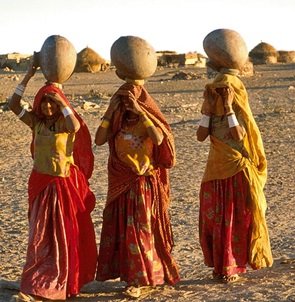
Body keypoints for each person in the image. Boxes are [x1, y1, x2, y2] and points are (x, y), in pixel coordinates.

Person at [9, 56, 97, 301]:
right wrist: (28, 75)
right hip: (41, 185)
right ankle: (38, 283)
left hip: (62, 187)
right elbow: (13, 103)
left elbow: (76, 125)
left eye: (52, 103)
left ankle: (59, 283)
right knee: (40, 236)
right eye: (44, 102)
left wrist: (59, 97)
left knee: (62, 236)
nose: (48, 107)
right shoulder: (36, 123)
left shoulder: (65, 124)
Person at [94, 80, 180, 298]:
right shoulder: (116, 121)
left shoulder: (146, 120)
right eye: (122, 99)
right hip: (121, 184)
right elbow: (99, 139)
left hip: (143, 185)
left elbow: (159, 139)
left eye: (129, 99)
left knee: (140, 231)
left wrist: (141, 112)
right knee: (125, 231)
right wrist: (110, 109)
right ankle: (132, 276)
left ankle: (140, 279)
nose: (126, 104)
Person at [196, 63, 273, 283]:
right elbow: (200, 136)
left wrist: (229, 107)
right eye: (216, 89)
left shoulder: (238, 112)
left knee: (235, 221)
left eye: (224, 90)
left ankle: (232, 267)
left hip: (237, 172)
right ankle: (219, 266)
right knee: (216, 221)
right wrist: (208, 111)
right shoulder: (211, 112)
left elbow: (238, 136)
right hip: (215, 172)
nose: (219, 92)